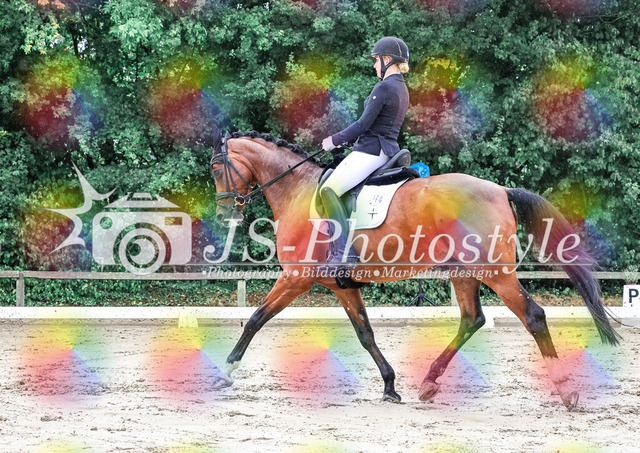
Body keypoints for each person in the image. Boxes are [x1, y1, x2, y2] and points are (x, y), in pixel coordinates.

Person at [319, 36, 410, 269]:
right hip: (386, 149)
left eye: (376, 60)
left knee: (329, 190)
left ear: (387, 60)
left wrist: (333, 140)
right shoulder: (401, 88)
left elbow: (363, 125)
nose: (374, 65)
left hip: (371, 151)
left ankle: (343, 253)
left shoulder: (384, 87)